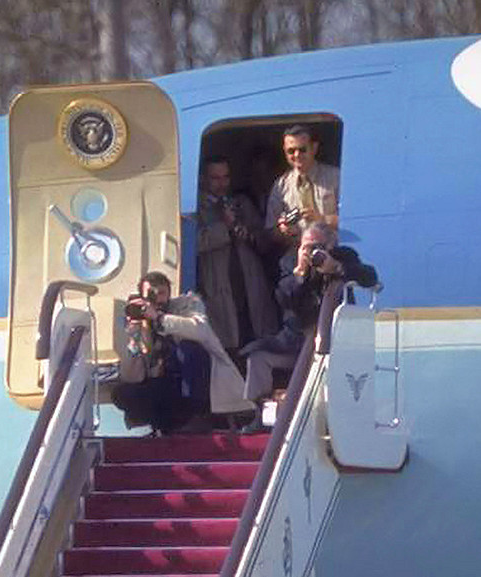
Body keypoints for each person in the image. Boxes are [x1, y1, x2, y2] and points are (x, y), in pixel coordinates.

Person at [239, 223, 377, 422]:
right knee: (257, 356)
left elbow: (370, 276)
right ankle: (259, 414)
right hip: (295, 340)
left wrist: (337, 267)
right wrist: (299, 274)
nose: (312, 252)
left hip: (334, 341)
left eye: (317, 246)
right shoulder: (289, 262)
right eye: (307, 247)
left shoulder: (344, 256)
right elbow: (284, 299)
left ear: (331, 244)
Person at [111, 271, 249, 435]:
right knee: (121, 394)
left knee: (188, 349)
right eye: (150, 293)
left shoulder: (188, 304)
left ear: (169, 293)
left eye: (161, 292)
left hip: (196, 382)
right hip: (165, 382)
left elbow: (200, 329)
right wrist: (135, 336)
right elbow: (132, 377)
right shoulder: (141, 319)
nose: (157, 298)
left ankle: (196, 416)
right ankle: (166, 425)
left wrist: (159, 318)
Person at [196, 156, 279, 356]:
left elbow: (265, 240)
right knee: (228, 344)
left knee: (256, 339)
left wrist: (248, 233)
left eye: (225, 177)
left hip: (249, 283)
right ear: (202, 179)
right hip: (218, 285)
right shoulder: (197, 209)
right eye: (215, 178)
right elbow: (196, 242)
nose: (221, 184)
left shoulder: (241, 203)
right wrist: (224, 227)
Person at [266, 125, 341, 250]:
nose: (297, 155)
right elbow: (270, 233)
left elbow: (354, 220)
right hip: (297, 259)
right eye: (291, 151)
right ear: (284, 150)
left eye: (302, 149)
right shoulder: (281, 185)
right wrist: (283, 231)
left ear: (314, 148)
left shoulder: (336, 178)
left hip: (333, 255)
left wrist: (323, 219)